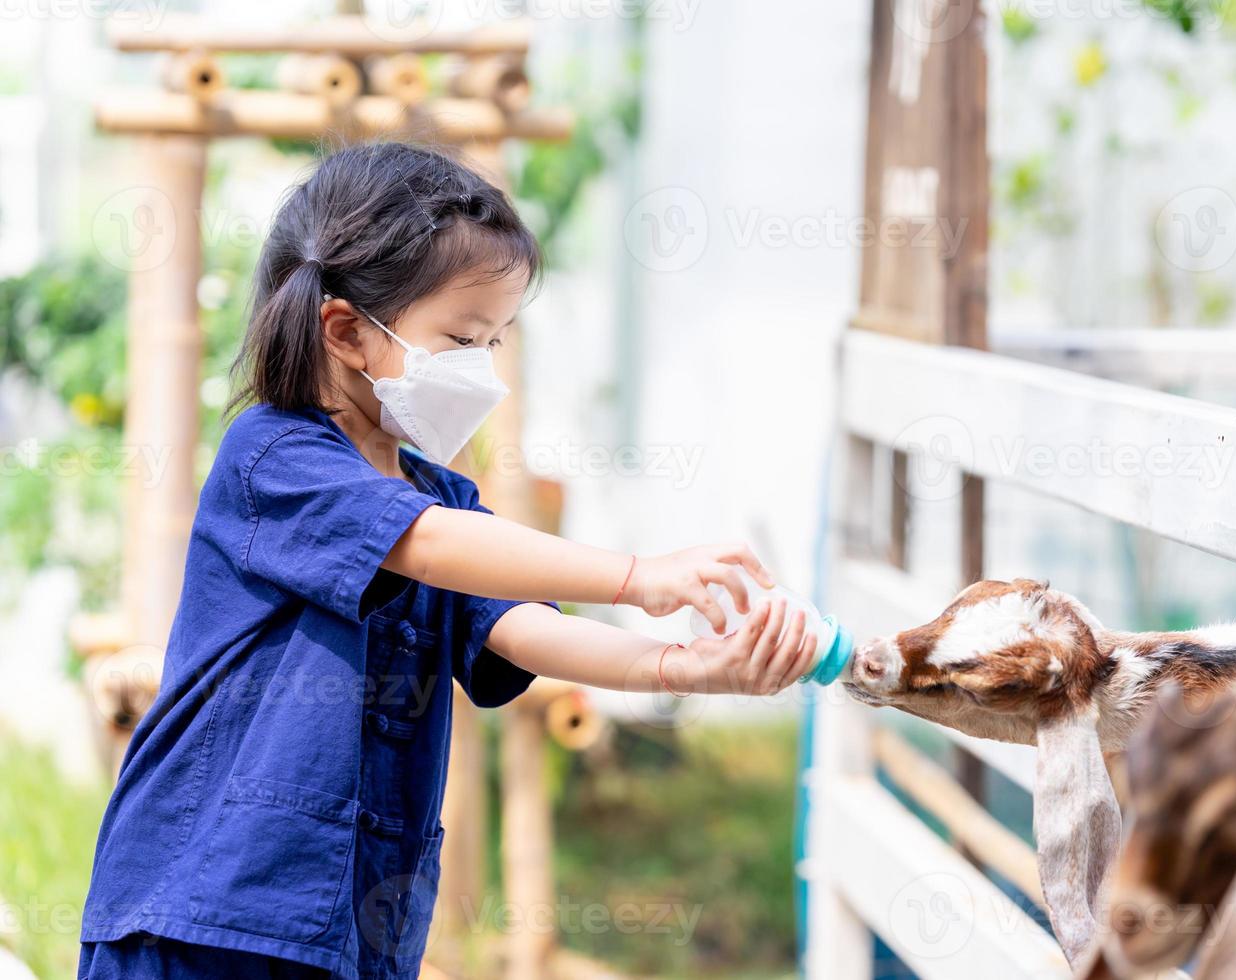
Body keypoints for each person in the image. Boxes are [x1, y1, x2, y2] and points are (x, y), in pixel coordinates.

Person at [78, 142, 816, 980]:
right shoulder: (273, 456)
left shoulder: (446, 498)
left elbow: (521, 627)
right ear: (348, 329)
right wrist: (639, 576)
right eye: (463, 338)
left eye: (495, 342)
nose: (481, 369)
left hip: (347, 935)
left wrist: (684, 666)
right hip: (204, 915)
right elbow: (422, 545)